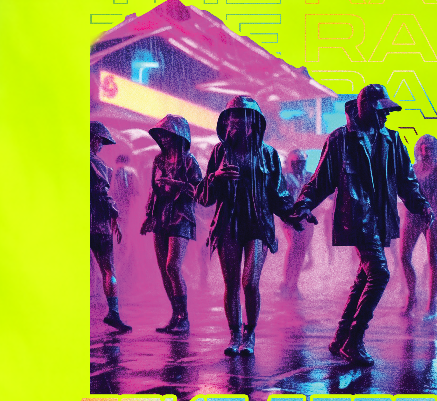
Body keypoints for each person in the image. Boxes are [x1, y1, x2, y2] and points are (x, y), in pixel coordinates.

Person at [296, 82, 431, 364]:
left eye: (387, 112)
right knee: (379, 274)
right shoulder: (340, 139)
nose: (386, 116)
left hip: (380, 218)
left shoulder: (392, 140)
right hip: (356, 218)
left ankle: (341, 338)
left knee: (363, 278)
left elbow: (406, 181)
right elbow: (321, 180)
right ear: (366, 108)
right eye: (381, 111)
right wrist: (304, 204)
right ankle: (354, 341)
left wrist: (421, 204)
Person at [201, 96, 309, 355]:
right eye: (234, 116)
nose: (238, 121)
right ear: (227, 121)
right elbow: (205, 196)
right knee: (231, 283)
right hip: (228, 223)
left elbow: (278, 194)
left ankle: (249, 334)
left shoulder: (268, 154)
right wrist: (216, 177)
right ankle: (234, 335)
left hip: (258, 224)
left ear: (255, 121)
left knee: (249, 282)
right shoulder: (219, 152)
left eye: (244, 116)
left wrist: (294, 214)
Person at [138, 114, 205, 332]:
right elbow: (153, 189)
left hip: (181, 216)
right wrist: (149, 215)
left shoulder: (189, 161)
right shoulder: (159, 160)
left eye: (168, 134)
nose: (164, 139)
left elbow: (199, 191)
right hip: (161, 216)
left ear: (179, 135)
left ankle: (184, 318)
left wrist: (177, 184)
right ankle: (175, 315)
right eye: (162, 135)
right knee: (164, 270)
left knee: (172, 266)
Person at [399, 134, 437, 312]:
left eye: (429, 147)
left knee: (433, 259)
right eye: (423, 147)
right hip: (413, 215)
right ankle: (412, 295)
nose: (425, 151)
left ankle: (432, 303)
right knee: (404, 256)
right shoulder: (412, 169)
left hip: (433, 216)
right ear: (418, 149)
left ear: (435, 149)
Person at [90, 120, 131, 332]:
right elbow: (102, 194)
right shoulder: (96, 164)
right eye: (100, 142)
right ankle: (113, 313)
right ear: (94, 139)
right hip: (97, 223)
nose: (100, 146)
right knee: (108, 269)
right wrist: (115, 214)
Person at [278, 149, 318, 291]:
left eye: (302, 163)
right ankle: (287, 282)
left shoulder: (309, 176)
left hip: (306, 219)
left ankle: (293, 283)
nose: (300, 166)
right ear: (291, 163)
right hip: (291, 218)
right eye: (297, 163)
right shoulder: (285, 178)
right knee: (294, 247)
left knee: (301, 250)